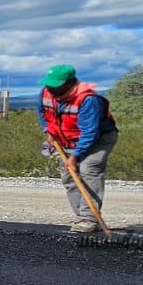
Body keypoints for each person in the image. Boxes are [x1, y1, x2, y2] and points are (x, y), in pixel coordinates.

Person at [38, 64, 119, 234]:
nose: (51, 89)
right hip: (66, 140)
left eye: (55, 85)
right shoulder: (46, 92)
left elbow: (89, 132)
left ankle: (89, 219)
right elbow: (42, 112)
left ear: (70, 83)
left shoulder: (88, 100)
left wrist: (74, 157)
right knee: (69, 177)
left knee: (89, 170)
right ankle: (82, 217)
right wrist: (48, 131)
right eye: (49, 84)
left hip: (99, 139)